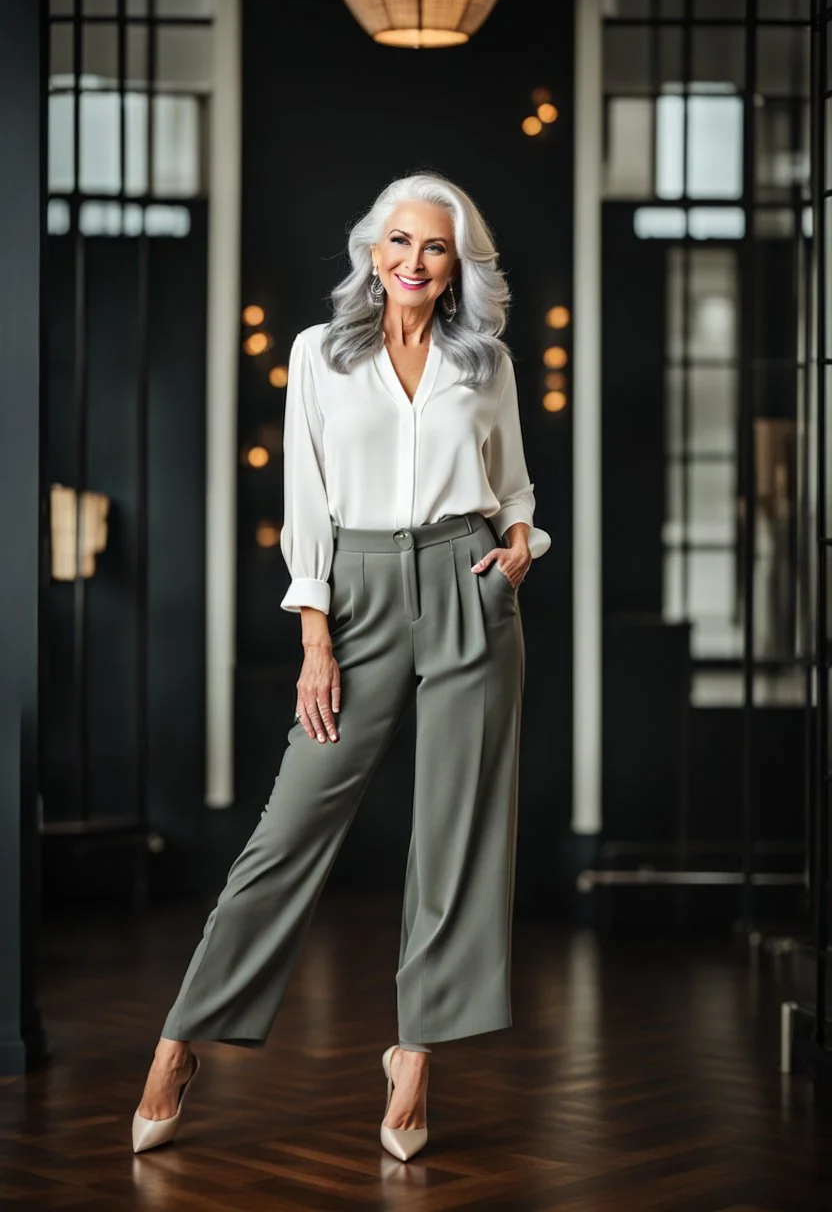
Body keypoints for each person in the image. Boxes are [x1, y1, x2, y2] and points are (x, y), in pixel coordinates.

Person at [132, 171, 551, 1163]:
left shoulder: (483, 362)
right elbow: (307, 500)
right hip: (355, 592)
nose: (413, 261)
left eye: (434, 248)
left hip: (468, 581)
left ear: (455, 270)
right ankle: (180, 1041)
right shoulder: (320, 356)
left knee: (458, 840)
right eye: (398, 242)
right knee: (286, 833)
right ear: (372, 251)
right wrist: (315, 637)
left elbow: (516, 486)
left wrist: (523, 545)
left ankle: (414, 1056)